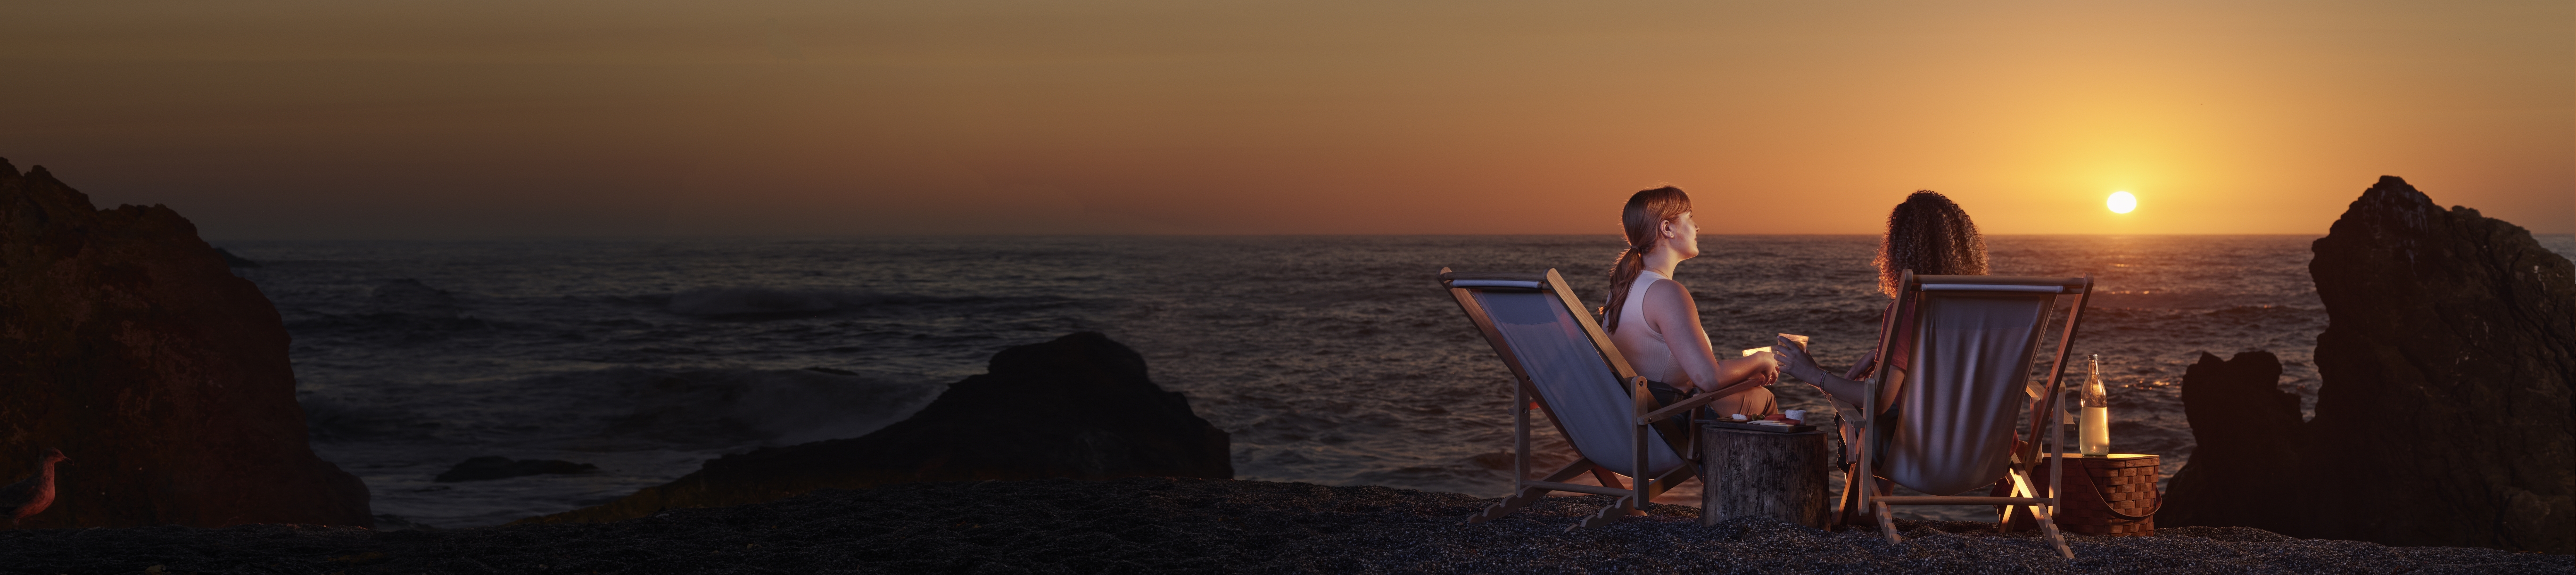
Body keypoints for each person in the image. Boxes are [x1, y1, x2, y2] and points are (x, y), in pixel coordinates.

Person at [1769, 190, 1990, 514]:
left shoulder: (1908, 311)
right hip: (1984, 447)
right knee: (1884, 415)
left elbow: (1880, 400)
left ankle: (1866, 514)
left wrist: (1813, 374)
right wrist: (1885, 355)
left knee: (1858, 417)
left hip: (1922, 454)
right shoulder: (1983, 310)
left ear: (1899, 251)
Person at [1599, 186, 1781, 421]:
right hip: (1667, 426)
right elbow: (1708, 378)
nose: (1697, 227)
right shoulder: (1667, 292)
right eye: (1690, 217)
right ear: (1667, 229)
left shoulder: (1622, 288)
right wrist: (1761, 359)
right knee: (1764, 399)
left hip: (1629, 420)